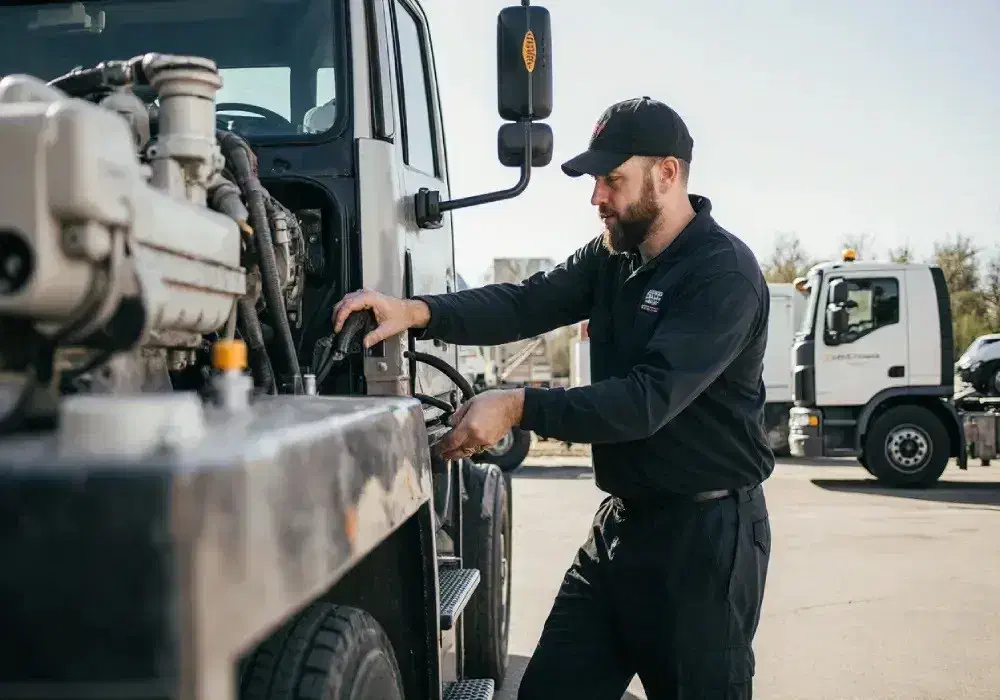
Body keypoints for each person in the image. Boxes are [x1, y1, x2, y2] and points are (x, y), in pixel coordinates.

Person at [332, 96, 773, 699]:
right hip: (622, 529)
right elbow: (526, 302)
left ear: (667, 174)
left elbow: (645, 402)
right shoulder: (613, 256)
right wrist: (414, 311)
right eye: (595, 182)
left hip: (704, 544)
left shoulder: (722, 274)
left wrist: (519, 406)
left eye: (612, 180)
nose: (597, 198)